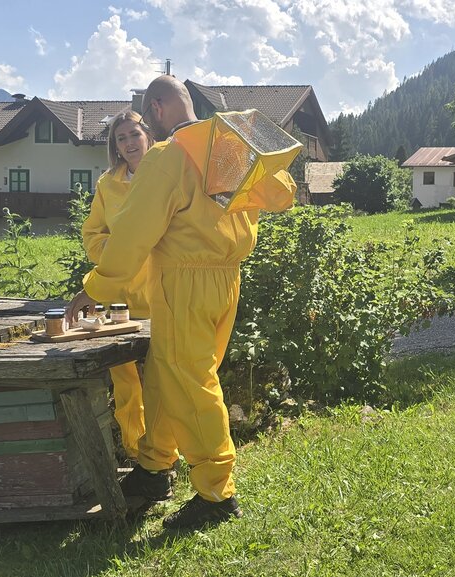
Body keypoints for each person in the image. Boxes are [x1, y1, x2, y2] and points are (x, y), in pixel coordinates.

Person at [67, 75, 296, 530]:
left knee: (190, 384)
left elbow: (134, 233)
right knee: (171, 379)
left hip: (184, 284)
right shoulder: (232, 147)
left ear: (154, 109)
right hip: (226, 280)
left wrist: (96, 287)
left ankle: (216, 494)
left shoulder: (168, 157)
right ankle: (153, 468)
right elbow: (283, 194)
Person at [80, 110, 157, 462]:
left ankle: (165, 455)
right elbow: (93, 234)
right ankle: (134, 451)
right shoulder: (107, 184)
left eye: (133, 135)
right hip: (119, 299)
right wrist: (111, 249)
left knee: (165, 382)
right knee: (127, 386)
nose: (128, 144)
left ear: (148, 136)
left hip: (163, 293)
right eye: (120, 139)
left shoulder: (165, 174)